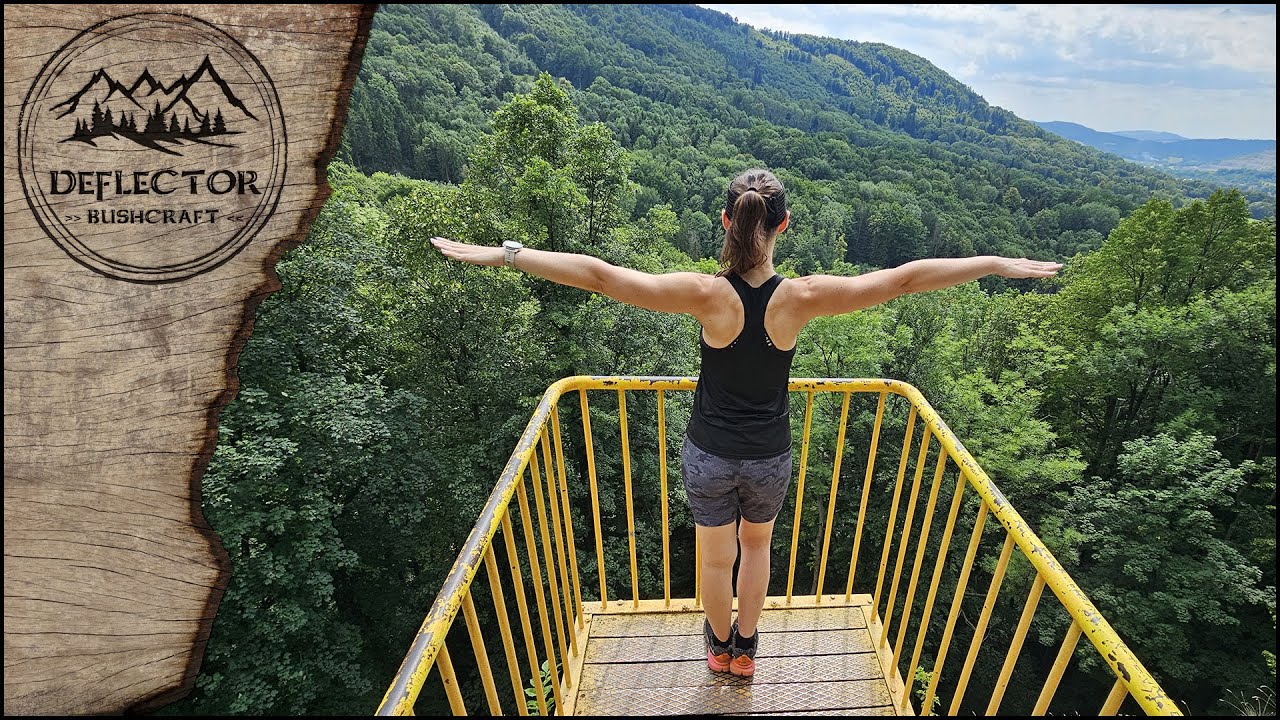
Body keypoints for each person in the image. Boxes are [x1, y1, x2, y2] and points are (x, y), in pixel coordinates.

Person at [431, 168, 1061, 678]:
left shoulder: (706, 295)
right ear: (782, 226)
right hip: (769, 456)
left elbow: (600, 275)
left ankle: (717, 646)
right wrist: (992, 263)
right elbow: (903, 280)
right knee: (756, 549)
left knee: (714, 560)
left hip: (708, 452)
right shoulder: (802, 297)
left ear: (726, 222)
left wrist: (506, 254)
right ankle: (747, 650)